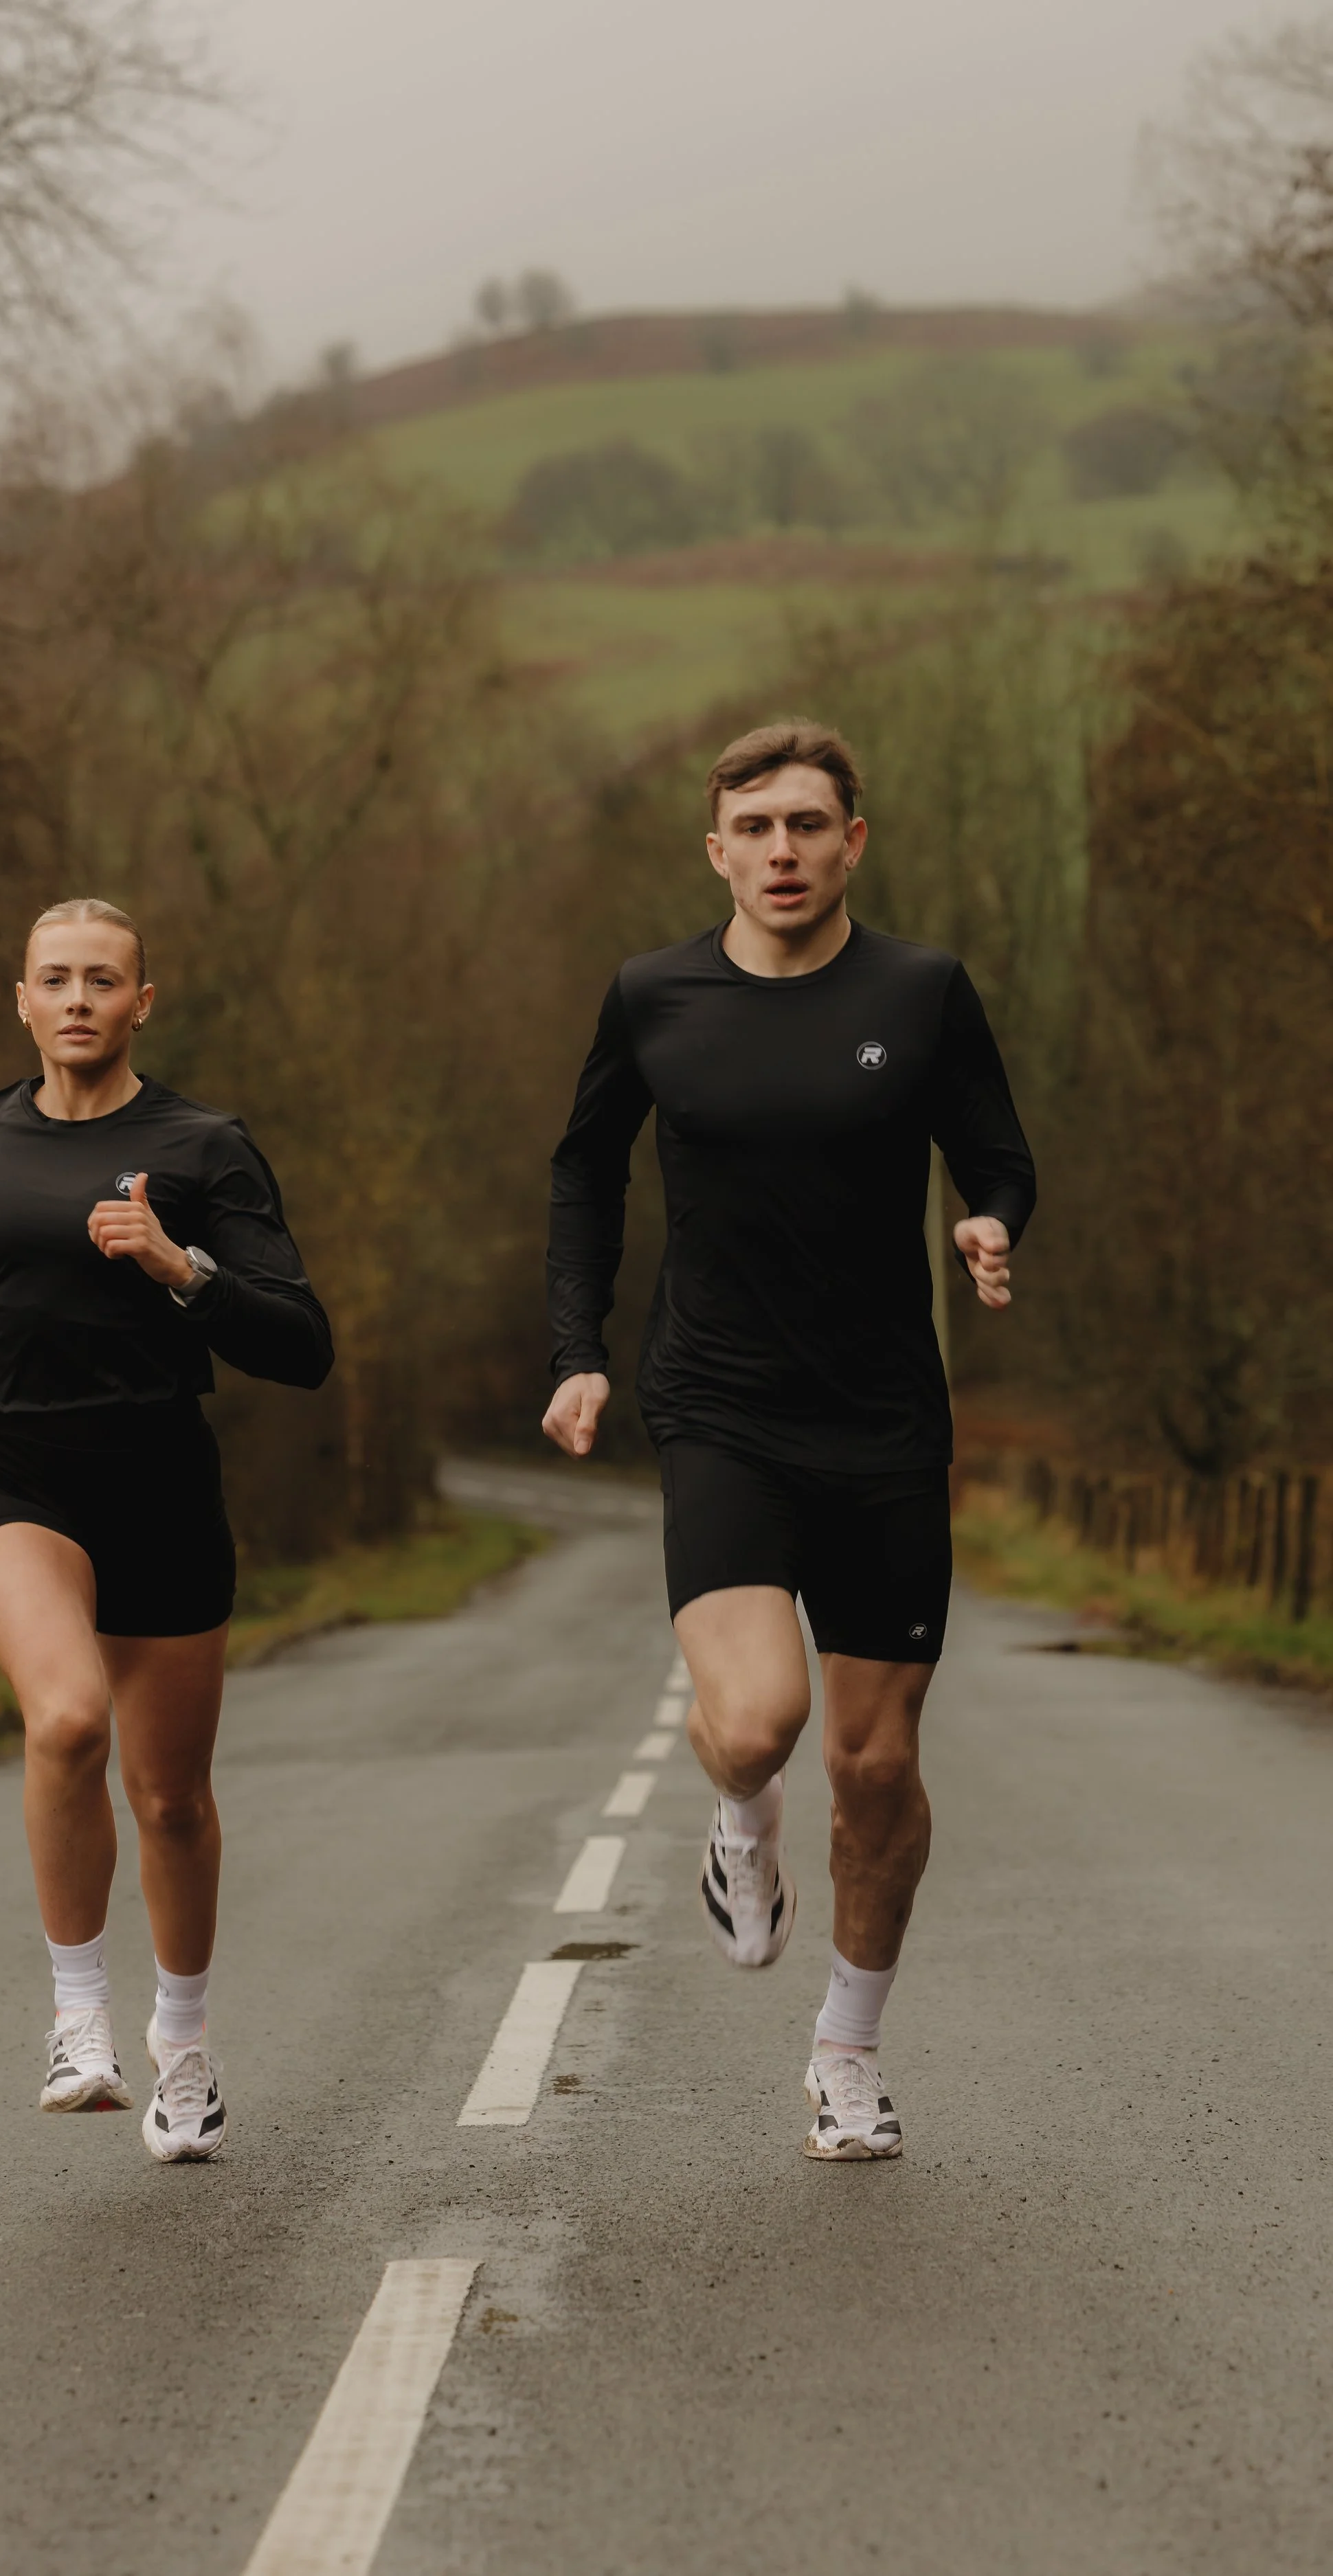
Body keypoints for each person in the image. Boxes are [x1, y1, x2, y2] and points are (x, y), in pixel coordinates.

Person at [543, 722, 1034, 2160]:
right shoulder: (652, 997)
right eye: (752, 828)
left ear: (850, 843)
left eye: (806, 826)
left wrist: (993, 1219)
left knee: (877, 1769)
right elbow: (580, 1173)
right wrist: (573, 1350)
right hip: (718, 1408)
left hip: (881, 1418)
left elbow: (994, 1147)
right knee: (758, 1722)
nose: (780, 851)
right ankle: (736, 1818)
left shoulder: (921, 991)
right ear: (715, 850)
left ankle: (846, 2050)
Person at [0, 898, 332, 2162]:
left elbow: (303, 1341)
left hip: (163, 1492)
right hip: (9, 1472)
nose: (78, 998)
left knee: (172, 1797)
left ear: (143, 1001)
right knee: (65, 1713)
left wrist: (180, 1267)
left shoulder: (202, 1144)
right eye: (54, 978)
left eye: (103, 980)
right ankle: (81, 2022)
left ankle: (184, 2046)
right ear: (21, 998)